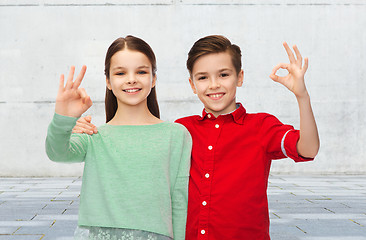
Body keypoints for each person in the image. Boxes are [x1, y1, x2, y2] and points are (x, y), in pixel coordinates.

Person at [73, 35, 320, 239]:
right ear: (192, 84)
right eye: (203, 77)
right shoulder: (181, 130)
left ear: (240, 77)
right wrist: (83, 129)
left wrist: (302, 96)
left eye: (224, 75)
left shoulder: (261, 126)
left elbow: (307, 149)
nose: (214, 85)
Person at [45, 35, 192, 240]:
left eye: (141, 71)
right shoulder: (93, 135)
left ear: (154, 78)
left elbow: (179, 200)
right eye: (121, 72)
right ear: (108, 81)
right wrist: (64, 118)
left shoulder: (176, 134)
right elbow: (56, 151)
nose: (131, 79)